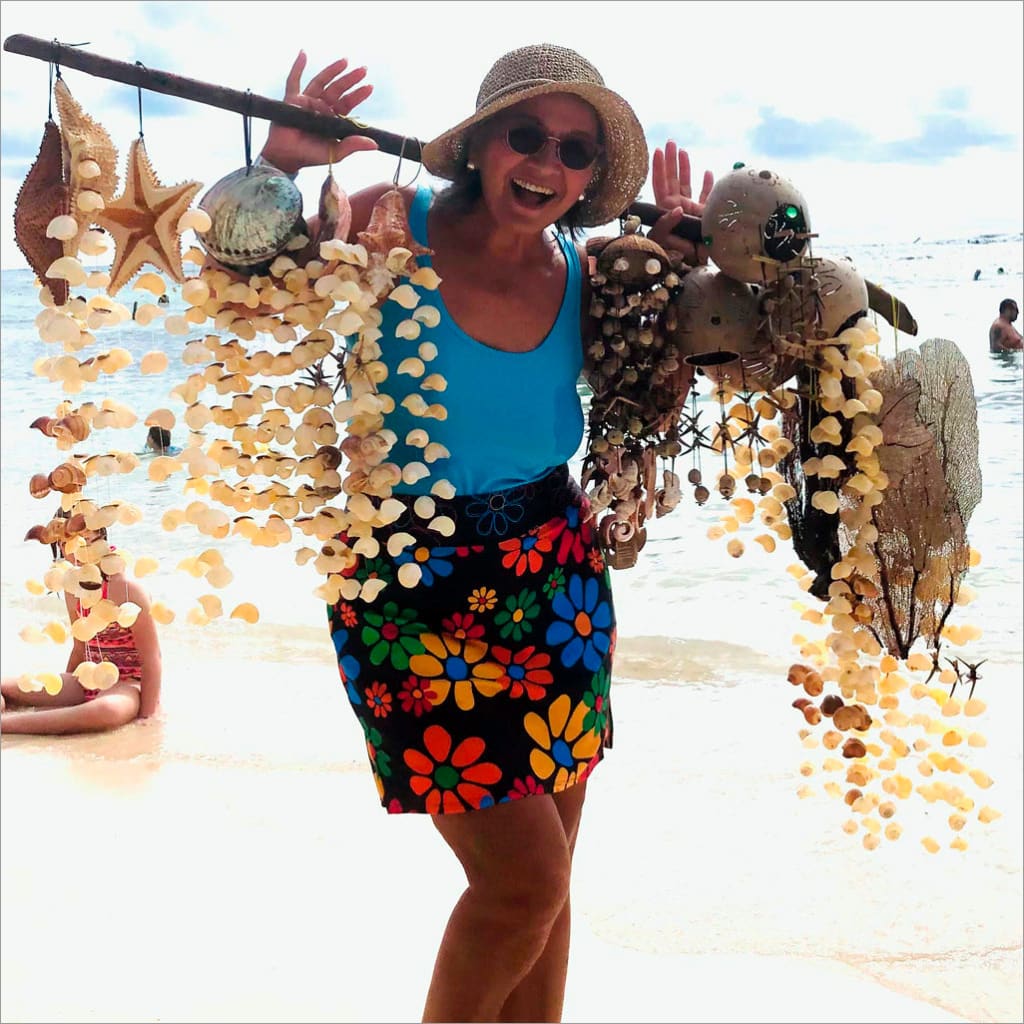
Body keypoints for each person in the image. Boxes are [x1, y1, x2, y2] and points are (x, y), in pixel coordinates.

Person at [257, 43, 709, 1023]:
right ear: (478, 145)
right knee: (521, 886)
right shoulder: (387, 218)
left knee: (549, 886)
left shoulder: (587, 272)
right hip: (405, 581)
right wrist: (281, 167)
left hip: (554, 575)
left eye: (576, 151)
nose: (547, 163)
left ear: (592, 179)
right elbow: (251, 282)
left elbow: (653, 392)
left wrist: (679, 268)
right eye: (526, 136)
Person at [1, 521, 162, 734]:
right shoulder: (72, 587)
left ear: (101, 540)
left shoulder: (128, 589)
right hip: (86, 678)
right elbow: (80, 647)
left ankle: (7, 726)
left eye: (87, 542)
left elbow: (152, 658)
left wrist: (148, 714)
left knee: (106, 710)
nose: (80, 553)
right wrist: (62, 699)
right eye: (70, 544)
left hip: (126, 684)